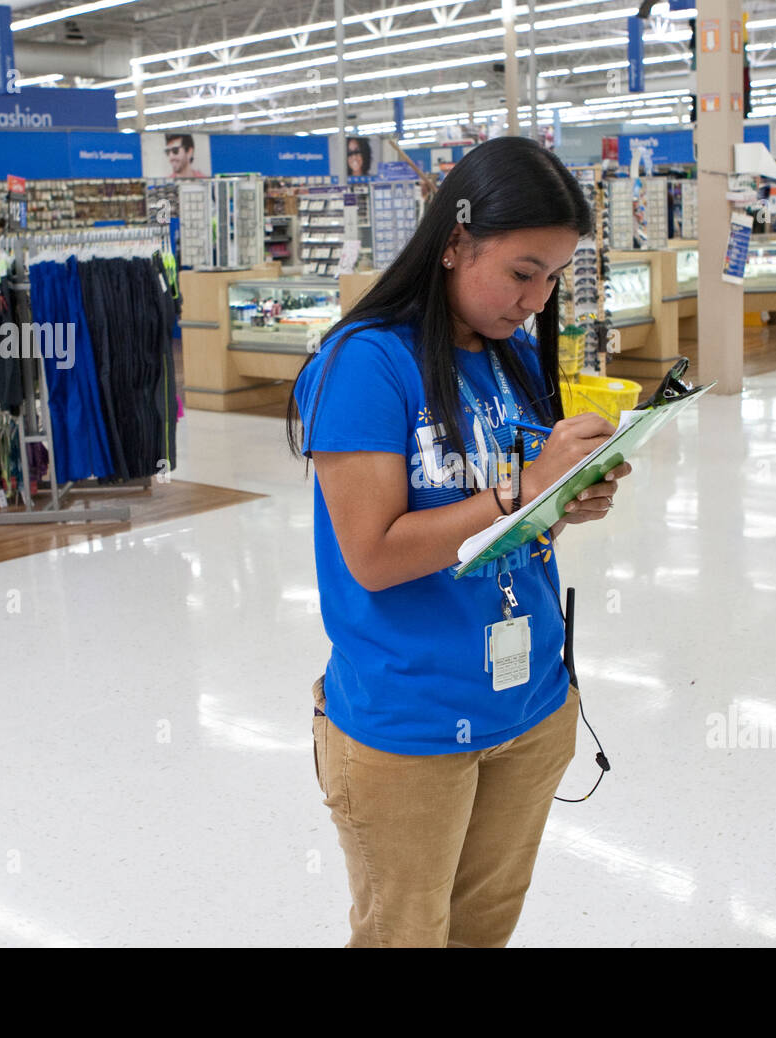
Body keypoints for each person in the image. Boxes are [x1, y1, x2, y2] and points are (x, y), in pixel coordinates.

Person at [287, 136, 631, 947]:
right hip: (410, 725)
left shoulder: (512, 359)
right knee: (404, 935)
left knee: (482, 930)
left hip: (532, 702)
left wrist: (564, 499)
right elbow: (374, 555)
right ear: (452, 244)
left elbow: (499, 518)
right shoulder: (366, 363)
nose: (537, 300)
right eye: (521, 272)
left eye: (553, 278)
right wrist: (526, 485)